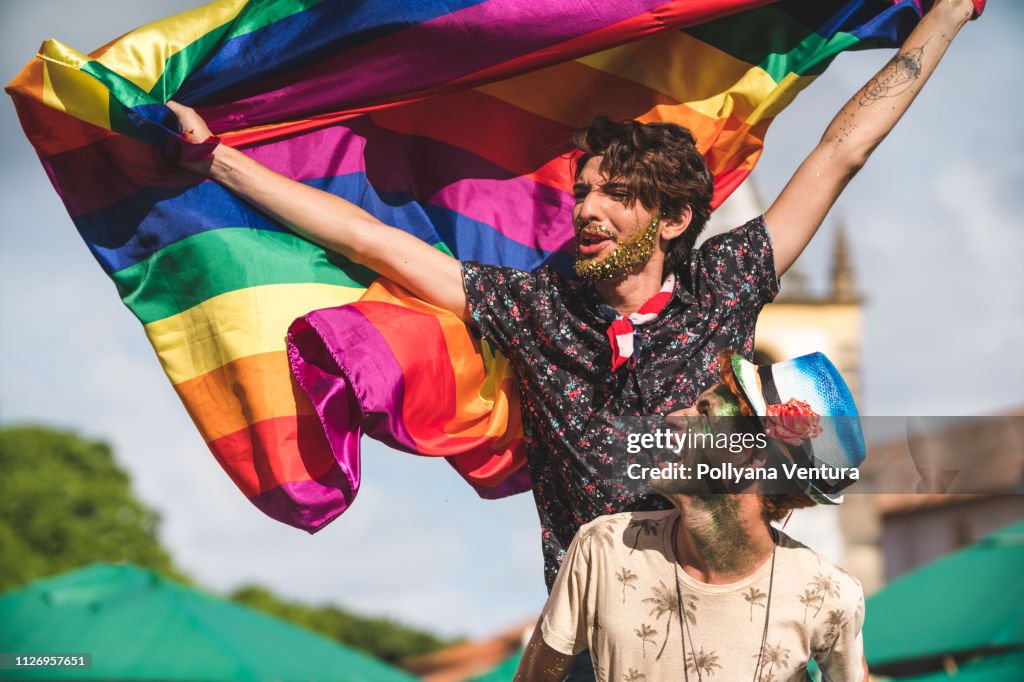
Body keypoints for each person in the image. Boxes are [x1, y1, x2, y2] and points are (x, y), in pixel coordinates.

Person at [166, 0, 976, 675]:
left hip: (734, 635)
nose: (585, 208)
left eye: (614, 195)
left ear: (673, 219)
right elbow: (374, 242)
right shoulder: (531, 308)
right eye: (582, 191)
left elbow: (841, 151)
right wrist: (218, 164)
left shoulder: (725, 281)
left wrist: (946, 12)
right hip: (597, 642)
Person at [515, 350, 869, 681]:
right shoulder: (603, 549)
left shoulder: (829, 594)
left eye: (705, 412)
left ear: (750, 457)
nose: (672, 417)